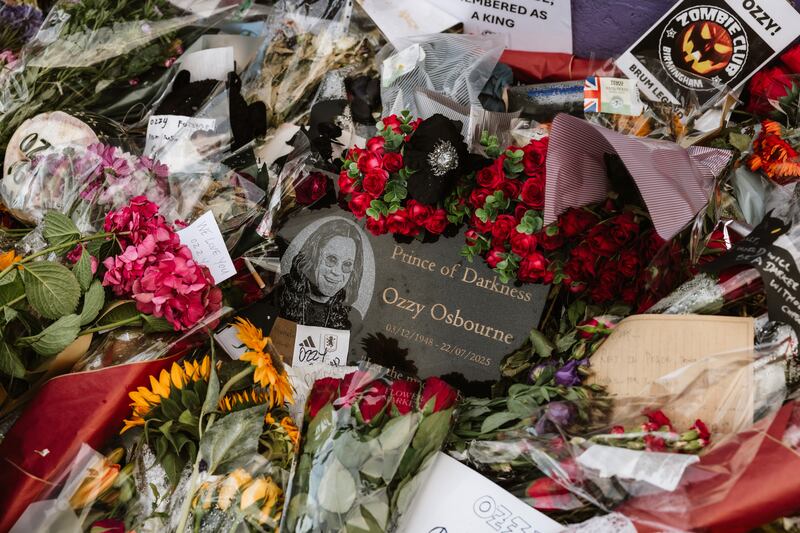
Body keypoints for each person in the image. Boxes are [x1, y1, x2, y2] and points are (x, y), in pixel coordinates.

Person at [279, 218, 364, 329]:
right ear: (313, 256)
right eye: (331, 259)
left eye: (347, 264)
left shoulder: (352, 319)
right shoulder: (280, 296)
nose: (337, 272)